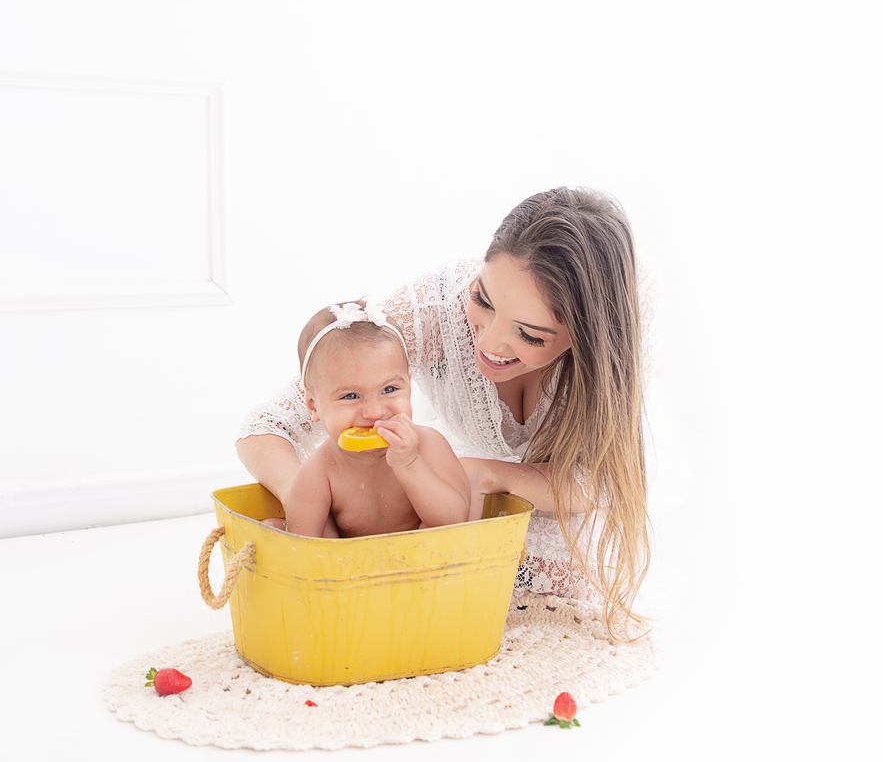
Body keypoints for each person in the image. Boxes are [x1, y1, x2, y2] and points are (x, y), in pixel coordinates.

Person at [238, 187, 655, 639]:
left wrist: (484, 475)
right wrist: (315, 509)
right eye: (483, 300)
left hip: (541, 496)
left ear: (586, 337)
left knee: (575, 574)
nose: (489, 344)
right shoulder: (433, 310)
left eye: (530, 335)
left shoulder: (622, 337)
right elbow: (264, 427)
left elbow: (596, 482)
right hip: (435, 492)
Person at [275, 300, 470, 538]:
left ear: (408, 386)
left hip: (425, 567)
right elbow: (303, 552)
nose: (375, 412)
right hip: (351, 569)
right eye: (351, 396)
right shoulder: (319, 472)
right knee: (295, 530)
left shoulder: (428, 445)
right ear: (314, 406)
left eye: (389, 389)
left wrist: (409, 464)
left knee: (435, 532)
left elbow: (456, 520)